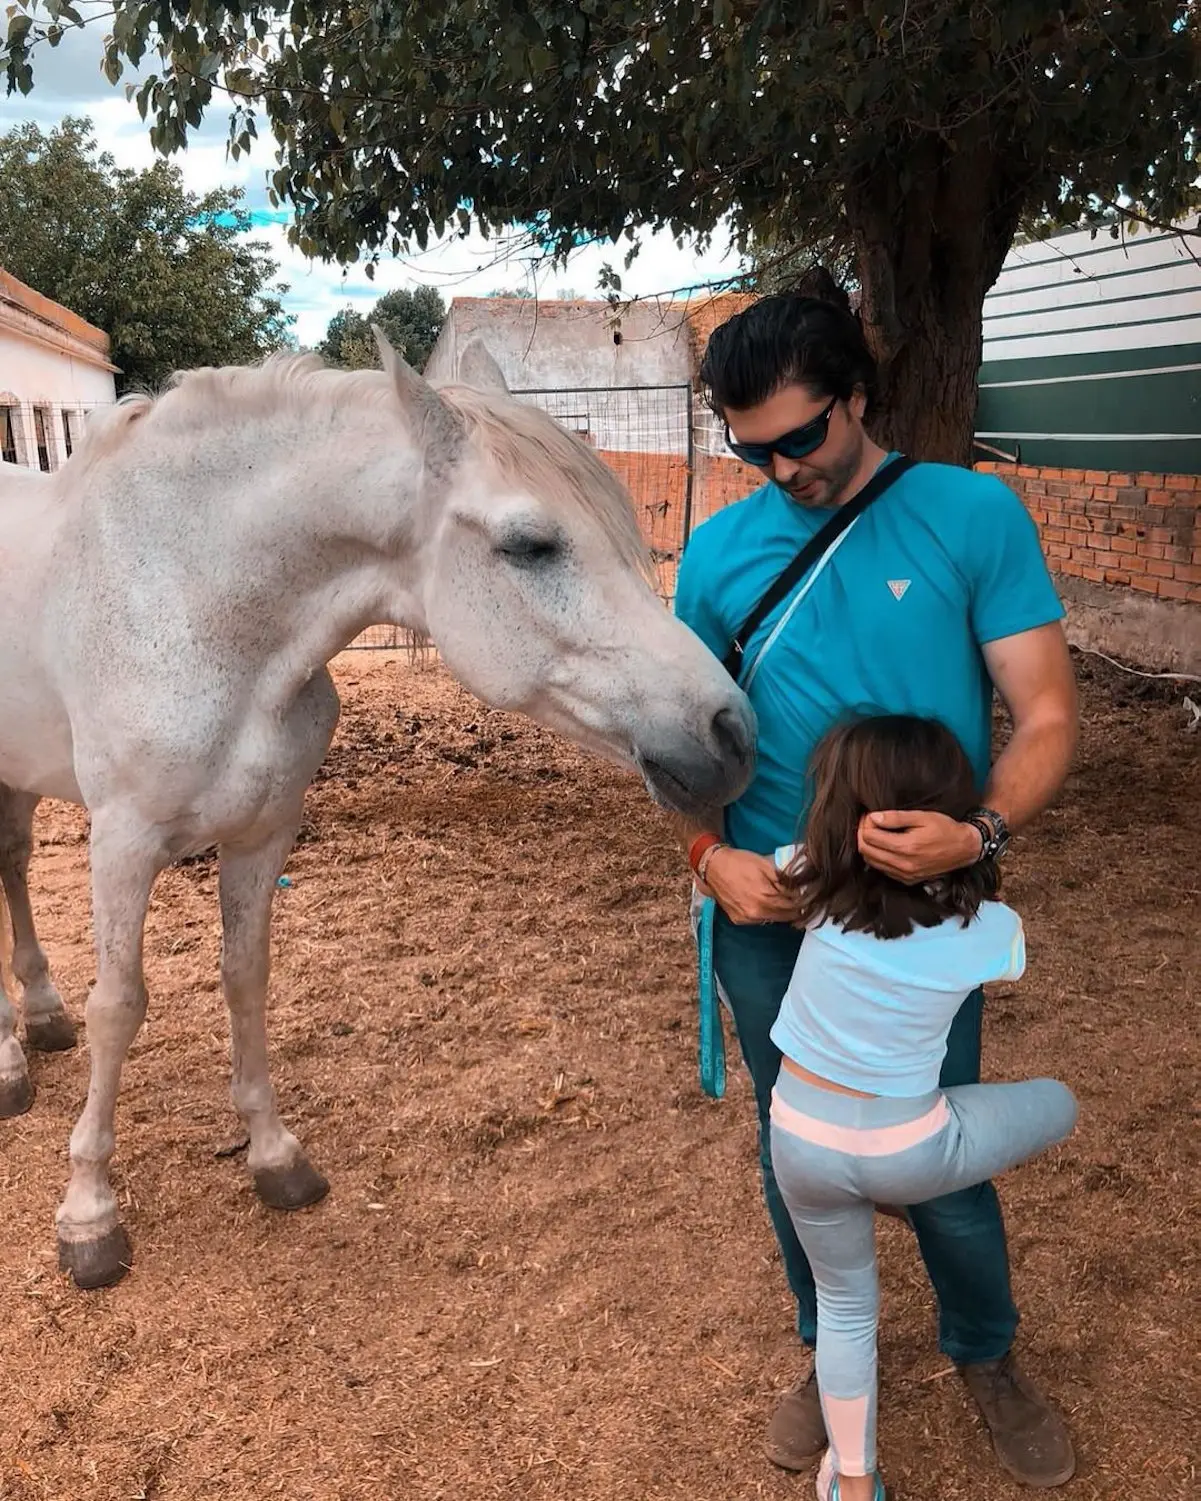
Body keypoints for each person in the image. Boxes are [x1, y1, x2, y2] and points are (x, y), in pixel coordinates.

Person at [674, 294, 1079, 1487]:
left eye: (802, 437)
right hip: (767, 907)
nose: (779, 468)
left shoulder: (968, 513)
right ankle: (829, 1341)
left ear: (857, 396)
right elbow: (678, 748)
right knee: (789, 1135)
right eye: (751, 451)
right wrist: (708, 858)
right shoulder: (717, 552)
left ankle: (984, 1351)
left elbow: (1048, 714)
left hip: (913, 910)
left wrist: (982, 832)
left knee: (932, 1134)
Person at [765, 712, 1078, 1501]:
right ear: (945, 814)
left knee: (844, 1306)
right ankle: (899, 1196)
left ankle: (855, 1481)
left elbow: (774, 869)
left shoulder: (812, 879)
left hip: (797, 1142)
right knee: (1057, 1102)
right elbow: (1011, 956)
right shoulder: (982, 925)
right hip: (909, 1148)